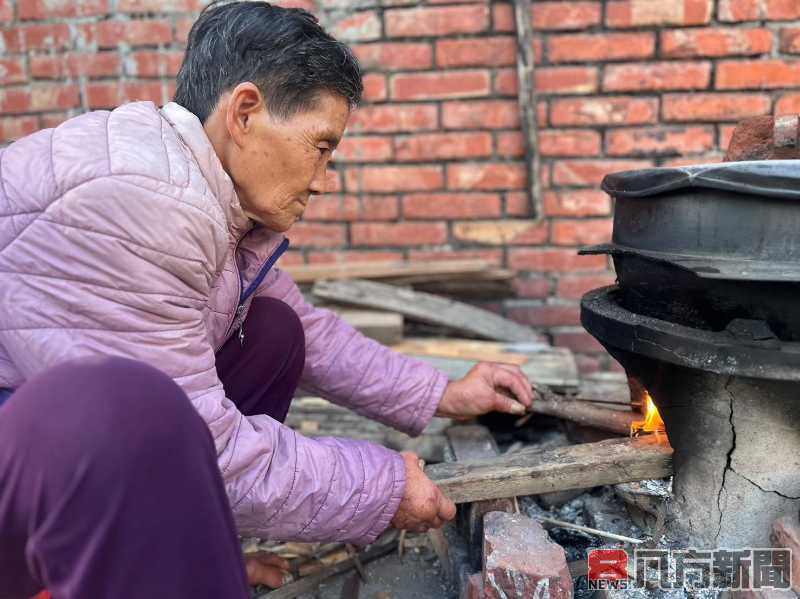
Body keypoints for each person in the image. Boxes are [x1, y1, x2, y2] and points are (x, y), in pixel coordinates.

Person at [0, 3, 534, 598]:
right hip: (20, 469)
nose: (322, 180)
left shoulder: (204, 186)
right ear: (246, 112)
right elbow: (211, 449)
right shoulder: (145, 205)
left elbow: (312, 333)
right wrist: (381, 488)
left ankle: (185, 553)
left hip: (43, 440)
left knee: (275, 333)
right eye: (321, 147)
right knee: (137, 411)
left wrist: (445, 392)